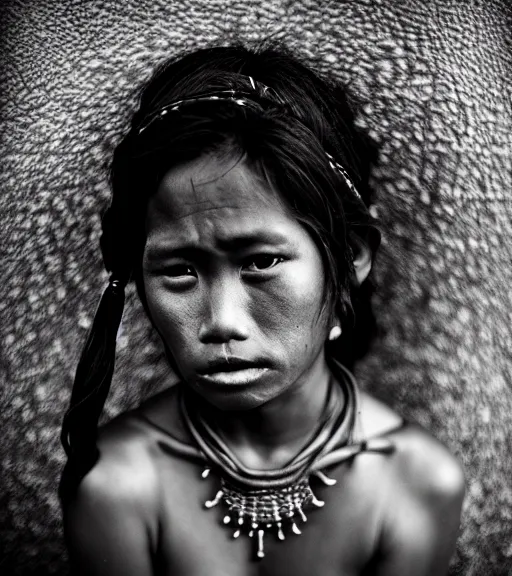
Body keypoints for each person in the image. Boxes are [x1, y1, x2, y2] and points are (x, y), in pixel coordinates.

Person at [59, 42, 465, 576]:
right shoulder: (117, 482)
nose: (222, 320)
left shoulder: (417, 482)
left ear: (352, 256)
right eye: (179, 270)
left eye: (262, 261)